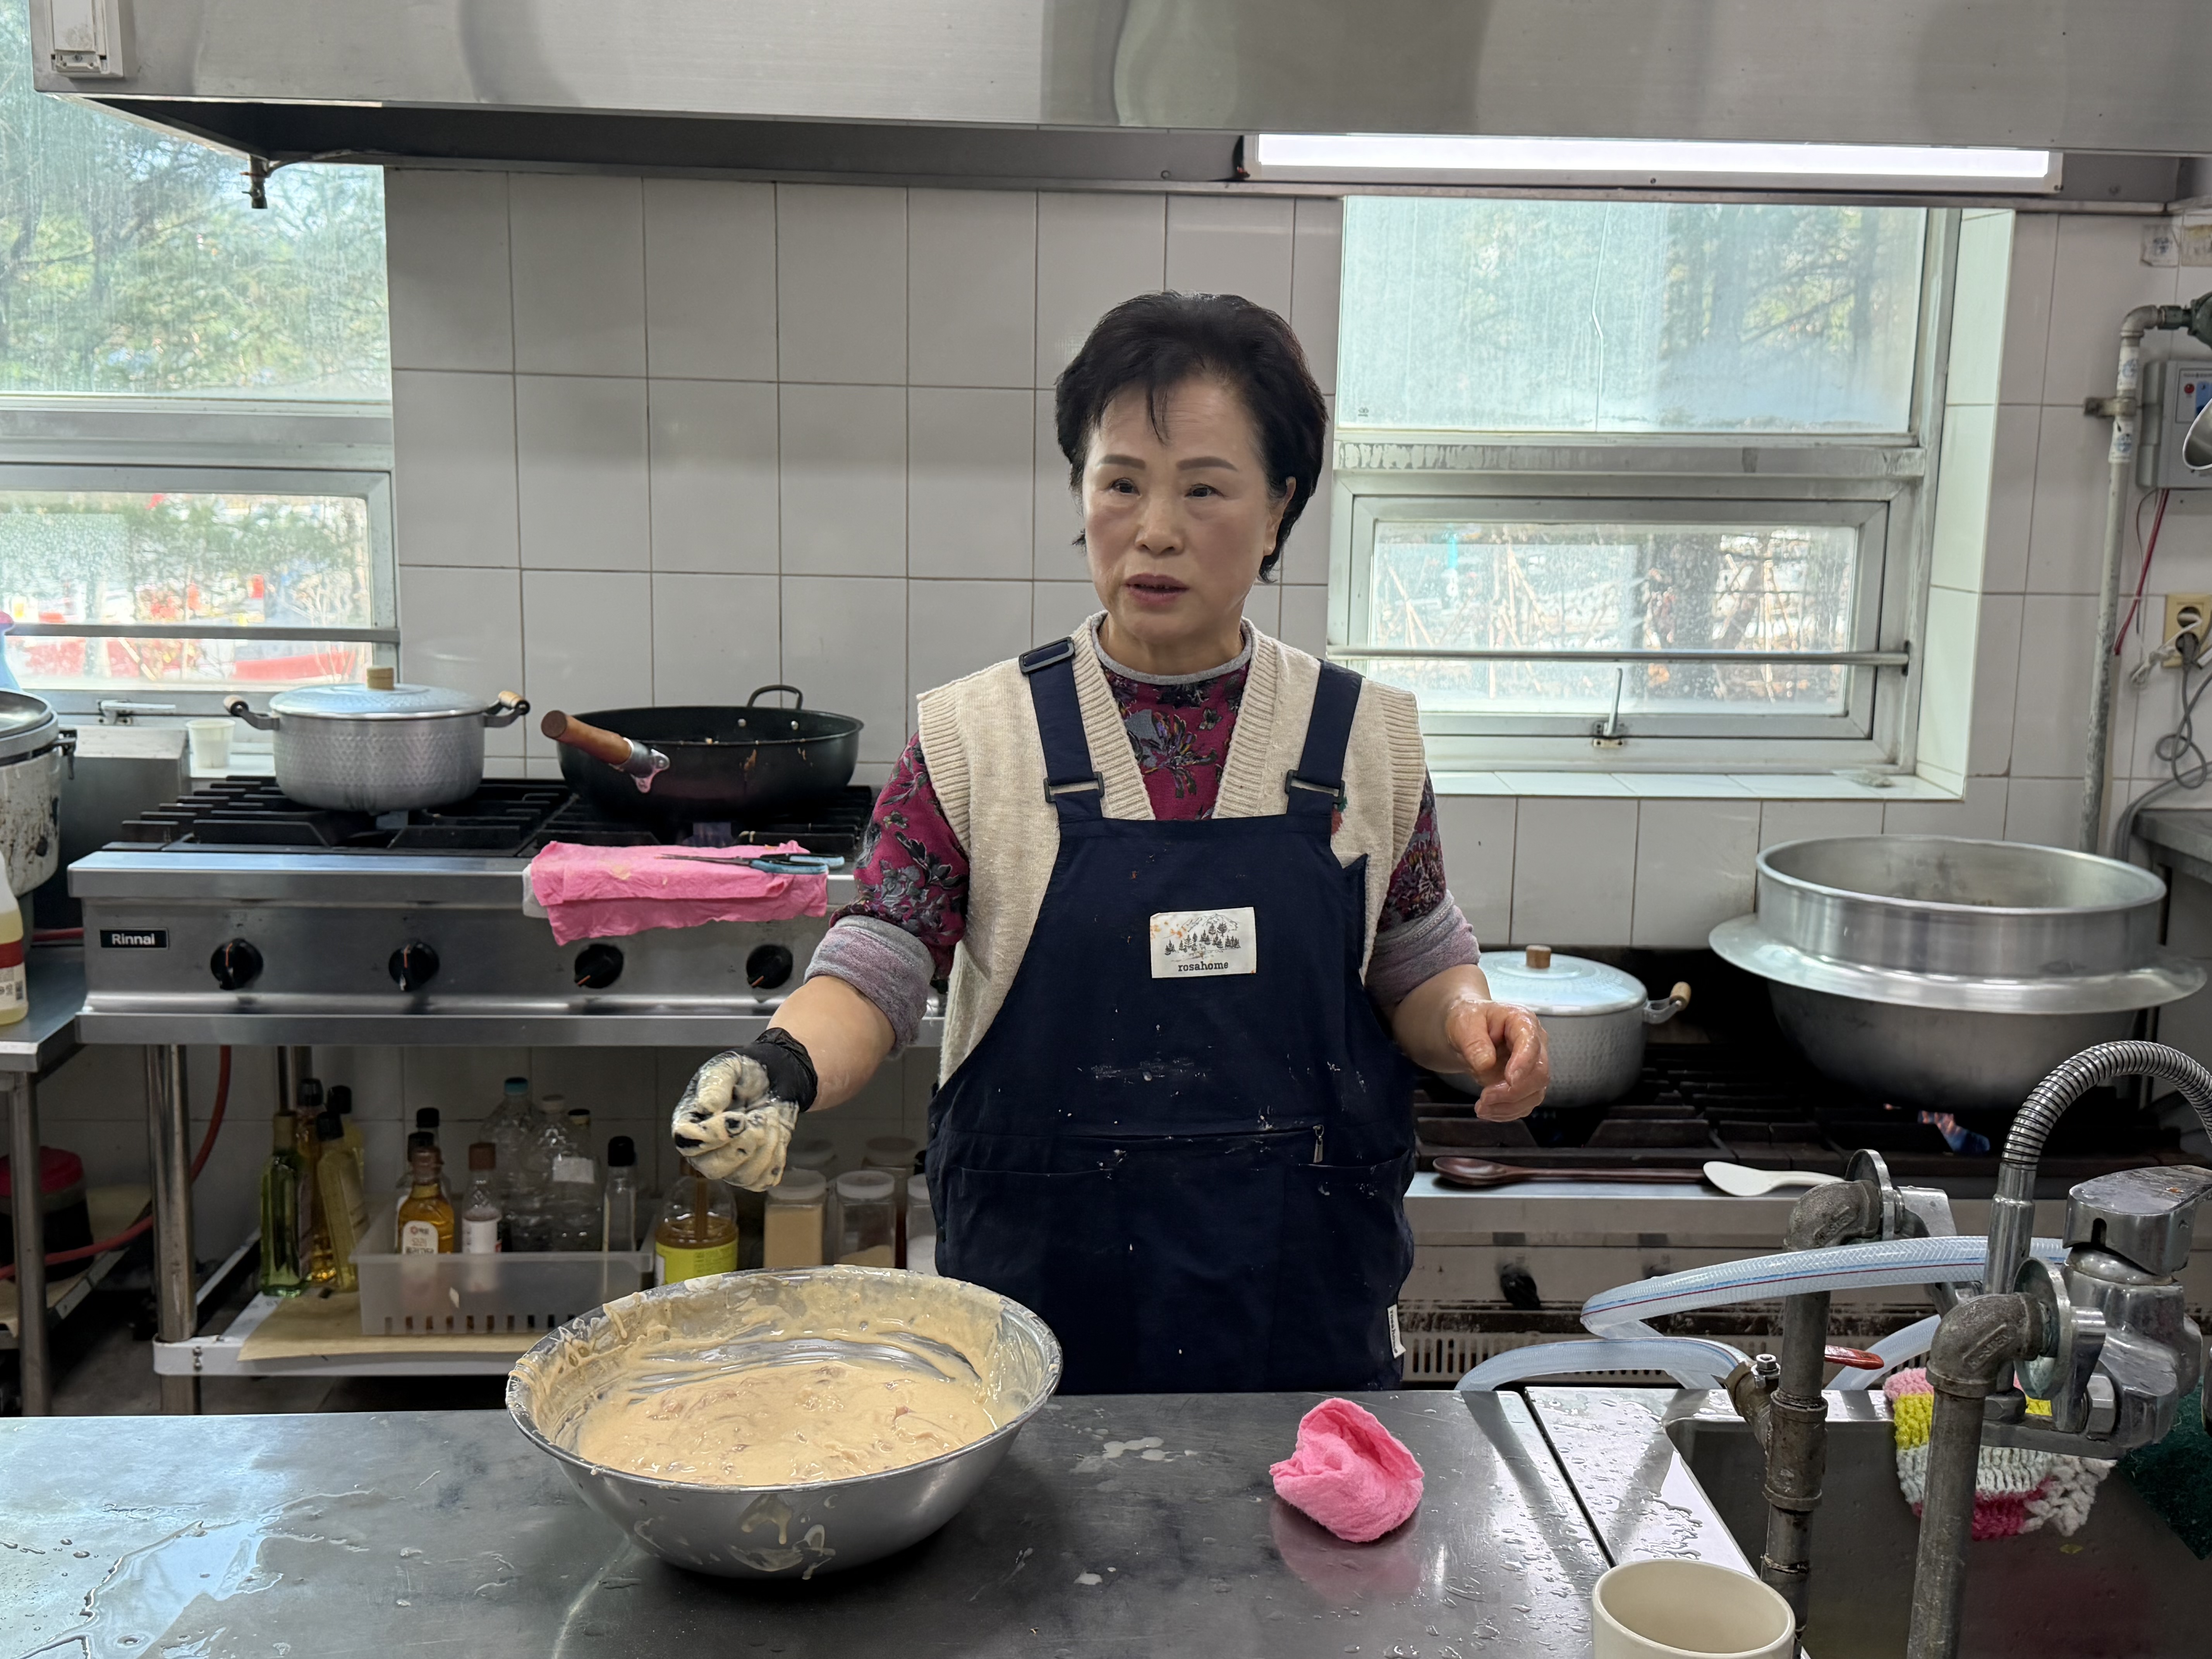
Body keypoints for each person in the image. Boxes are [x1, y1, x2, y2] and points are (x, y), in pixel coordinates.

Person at [672, 292, 1549, 1392]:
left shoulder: (1366, 737)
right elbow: (883, 955)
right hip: (1039, 1328)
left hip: (1300, 1314)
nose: (1156, 530)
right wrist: (780, 1066)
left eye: (1204, 489)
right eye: (1121, 482)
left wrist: (1471, 1024)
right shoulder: (977, 736)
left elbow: (1415, 959)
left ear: (1279, 508)